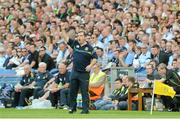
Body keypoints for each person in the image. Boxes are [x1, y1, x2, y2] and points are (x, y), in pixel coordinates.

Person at [62, 30, 97, 114]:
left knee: (84, 92)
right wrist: (63, 29)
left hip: (84, 73)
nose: (79, 37)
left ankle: (85, 109)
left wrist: (90, 65)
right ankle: (72, 108)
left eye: (81, 35)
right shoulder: (75, 44)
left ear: (85, 37)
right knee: (72, 91)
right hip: (75, 71)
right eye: (78, 36)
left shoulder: (90, 48)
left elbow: (95, 58)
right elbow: (66, 38)